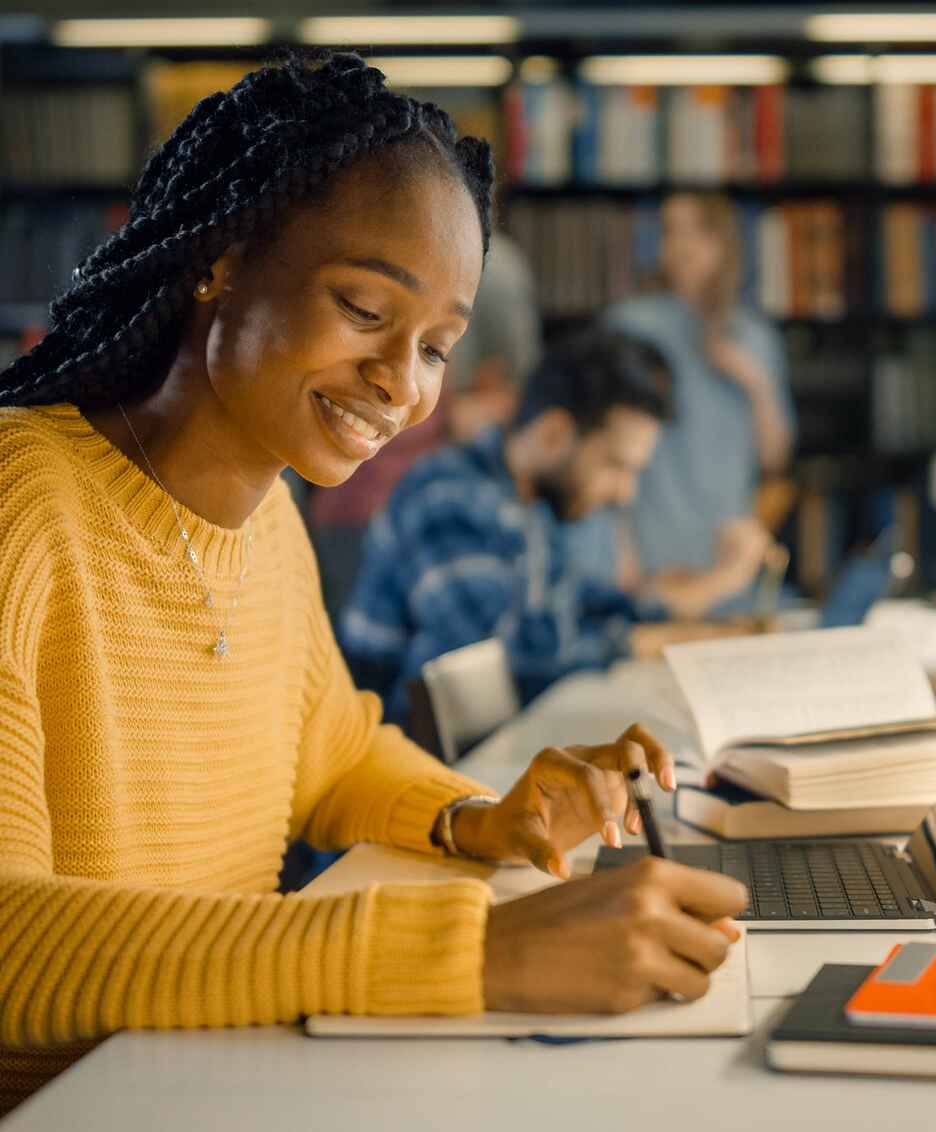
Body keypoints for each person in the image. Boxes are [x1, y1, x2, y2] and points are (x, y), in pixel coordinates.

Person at [0, 54, 744, 1113]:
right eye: (363, 308)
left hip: (213, 1072)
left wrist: (483, 817)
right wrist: (468, 950)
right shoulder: (19, 504)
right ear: (220, 257)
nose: (403, 383)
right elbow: (11, 947)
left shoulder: (268, 516)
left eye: (438, 346)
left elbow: (332, 752)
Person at [339, 328, 764, 722]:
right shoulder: (449, 500)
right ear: (555, 433)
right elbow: (497, 665)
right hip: (404, 766)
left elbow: (569, 605)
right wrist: (644, 641)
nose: (625, 493)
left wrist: (672, 613)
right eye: (616, 466)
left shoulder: (527, 505)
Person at [305, 232, 542, 616]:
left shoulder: (496, 272)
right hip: (355, 510)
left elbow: (511, 397)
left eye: (435, 349)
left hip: (425, 508)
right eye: (363, 312)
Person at [584, 191, 795, 609]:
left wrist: (756, 385)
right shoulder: (630, 326)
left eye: (696, 231)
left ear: (724, 242)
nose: (680, 246)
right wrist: (617, 547)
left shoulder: (754, 338)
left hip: (730, 562)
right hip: (653, 558)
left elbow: (775, 459)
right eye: (669, 232)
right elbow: (600, 449)